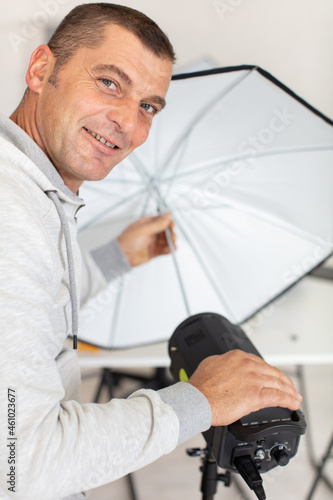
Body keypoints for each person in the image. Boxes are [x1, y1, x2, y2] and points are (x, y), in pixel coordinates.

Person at [0, 3, 303, 499]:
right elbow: (20, 467)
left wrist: (120, 254)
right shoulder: (11, 216)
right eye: (109, 83)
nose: (127, 122)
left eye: (149, 106)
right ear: (40, 69)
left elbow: (38, 298)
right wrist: (198, 401)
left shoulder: (32, 190)